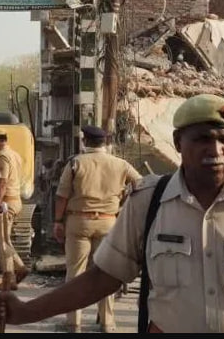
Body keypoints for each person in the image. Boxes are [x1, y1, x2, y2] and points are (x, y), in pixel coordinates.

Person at [0, 94, 224, 333]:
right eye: (202, 139)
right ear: (178, 143)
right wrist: (26, 312)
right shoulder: (149, 202)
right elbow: (102, 278)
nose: (216, 150)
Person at [53, 125, 142, 333]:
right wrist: (123, 203)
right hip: (109, 222)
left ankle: (73, 322)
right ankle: (107, 323)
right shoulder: (120, 164)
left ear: (85, 141)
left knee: (75, 273)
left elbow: (61, 196)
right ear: (105, 143)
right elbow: (141, 183)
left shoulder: (76, 163)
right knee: (106, 274)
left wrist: (58, 221)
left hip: (79, 222)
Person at [0, 128, 29, 291]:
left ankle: (9, 278)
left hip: (6, 202)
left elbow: (2, 183)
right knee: (4, 239)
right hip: (14, 200)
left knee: (2, 242)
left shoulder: (3, 157)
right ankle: (19, 269)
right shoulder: (15, 155)